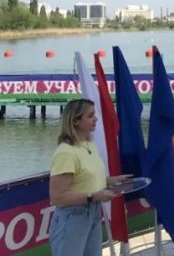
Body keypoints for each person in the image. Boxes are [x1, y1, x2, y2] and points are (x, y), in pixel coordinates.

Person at [48, 99, 130, 256]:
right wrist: (94, 196)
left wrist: (111, 181)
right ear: (75, 121)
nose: (96, 119)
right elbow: (57, 197)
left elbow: (85, 179)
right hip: (73, 217)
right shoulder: (66, 153)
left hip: (93, 212)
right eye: (90, 116)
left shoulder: (89, 143)